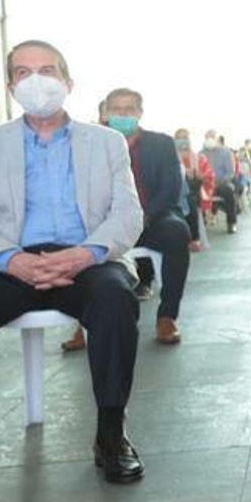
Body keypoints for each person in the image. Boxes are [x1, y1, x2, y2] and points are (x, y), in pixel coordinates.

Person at [0, 41, 145, 502]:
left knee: (116, 300)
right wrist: (11, 260)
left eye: (46, 70)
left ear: (68, 82)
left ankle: (110, 434)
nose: (36, 80)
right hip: (9, 261)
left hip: (86, 260)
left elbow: (127, 214)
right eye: (23, 72)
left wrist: (85, 254)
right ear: (10, 86)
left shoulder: (106, 143)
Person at [92, 88, 190, 346]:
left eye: (129, 110)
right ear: (106, 113)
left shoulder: (162, 143)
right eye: (116, 110)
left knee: (177, 231)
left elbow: (171, 186)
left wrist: (143, 216)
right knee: (77, 237)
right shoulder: (92, 145)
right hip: (106, 224)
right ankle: (83, 323)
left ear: (140, 113)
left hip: (151, 220)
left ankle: (167, 316)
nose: (123, 115)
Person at [175, 128, 214, 250]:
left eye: (185, 138)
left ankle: (194, 238)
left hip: (195, 190)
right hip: (175, 190)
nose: (182, 141)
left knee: (189, 200)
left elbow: (208, 176)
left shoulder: (199, 158)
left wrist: (197, 174)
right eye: (179, 138)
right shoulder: (169, 157)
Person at [201, 130, 239, 234]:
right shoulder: (201, 153)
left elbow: (230, 173)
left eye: (211, 137)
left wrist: (218, 183)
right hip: (205, 184)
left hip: (221, 183)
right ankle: (201, 222)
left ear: (217, 139)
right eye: (207, 137)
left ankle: (231, 223)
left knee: (228, 190)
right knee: (194, 192)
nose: (209, 139)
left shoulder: (226, 153)